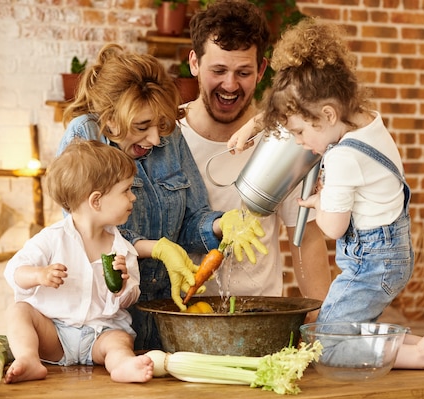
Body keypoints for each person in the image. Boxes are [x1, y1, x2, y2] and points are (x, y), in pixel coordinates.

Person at [229, 18, 424, 369]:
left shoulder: (341, 157)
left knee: (327, 343)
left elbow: (334, 229)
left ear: (326, 113)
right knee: (353, 329)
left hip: (371, 265)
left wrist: (320, 203)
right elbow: (298, 111)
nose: (298, 142)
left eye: (298, 132)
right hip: (388, 256)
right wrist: (254, 123)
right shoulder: (368, 122)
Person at [57, 43, 267, 351]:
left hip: (168, 315)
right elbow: (84, 235)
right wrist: (156, 249)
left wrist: (223, 224)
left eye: (161, 125)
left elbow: (192, 220)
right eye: (142, 127)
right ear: (110, 120)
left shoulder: (169, 137)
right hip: (107, 325)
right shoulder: (84, 136)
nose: (156, 138)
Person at [181, 0, 330, 312]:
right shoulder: (165, 138)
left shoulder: (285, 140)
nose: (230, 85)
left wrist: (322, 326)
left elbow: (305, 237)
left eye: (243, 72)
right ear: (194, 62)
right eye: (218, 70)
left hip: (257, 316)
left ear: (262, 70)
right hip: (181, 316)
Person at [3, 140, 154, 384]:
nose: (133, 197)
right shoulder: (52, 239)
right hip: (56, 334)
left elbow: (130, 299)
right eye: (126, 190)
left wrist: (123, 286)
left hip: (100, 335)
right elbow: (13, 271)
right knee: (19, 310)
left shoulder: (122, 249)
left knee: (120, 340)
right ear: (96, 201)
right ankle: (29, 359)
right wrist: (38, 275)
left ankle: (121, 365)